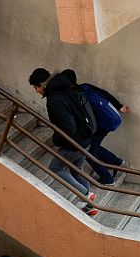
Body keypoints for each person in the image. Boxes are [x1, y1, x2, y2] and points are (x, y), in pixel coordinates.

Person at [28, 68, 99, 216]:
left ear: (42, 84)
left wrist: (57, 139)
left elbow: (68, 126)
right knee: (76, 170)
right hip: (86, 138)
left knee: (55, 168)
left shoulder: (54, 99)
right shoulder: (67, 90)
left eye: (36, 87)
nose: (37, 91)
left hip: (74, 143)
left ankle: (86, 195)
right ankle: (89, 206)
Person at [59, 69, 129, 186]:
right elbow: (104, 93)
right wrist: (119, 106)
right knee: (94, 147)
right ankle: (116, 162)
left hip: (97, 126)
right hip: (106, 122)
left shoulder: (74, 96)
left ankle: (107, 179)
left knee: (89, 153)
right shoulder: (85, 86)